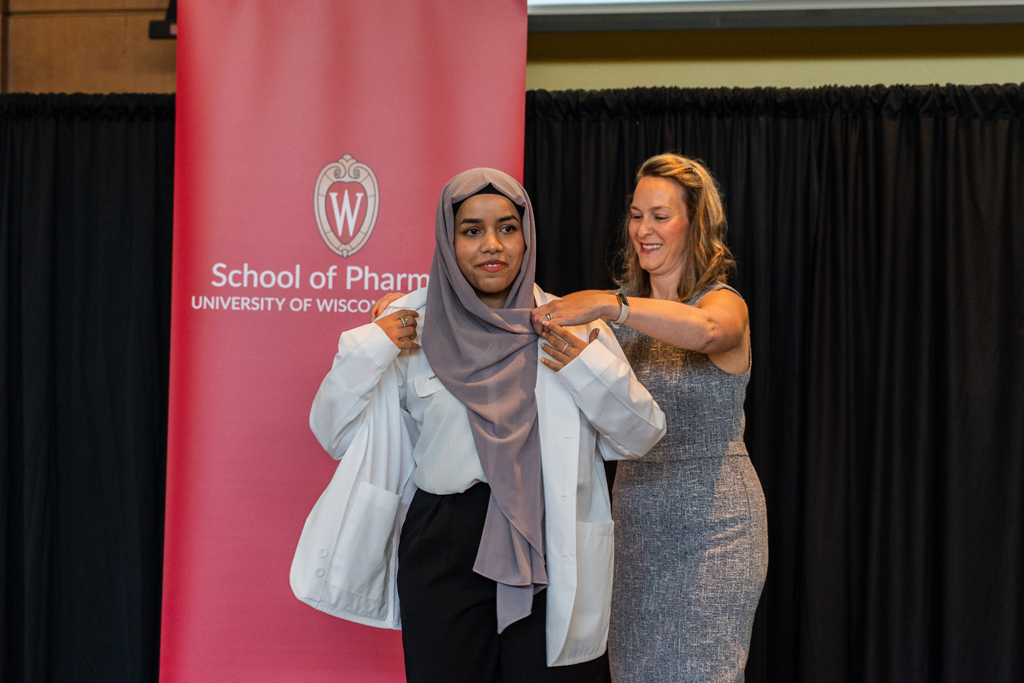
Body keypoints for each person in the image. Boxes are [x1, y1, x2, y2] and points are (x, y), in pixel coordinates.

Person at [305, 168, 666, 683]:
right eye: (472, 230)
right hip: (443, 541)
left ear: (527, 236)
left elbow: (640, 436)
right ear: (448, 242)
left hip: (546, 537)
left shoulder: (572, 325)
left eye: (507, 227)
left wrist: (587, 368)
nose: (492, 245)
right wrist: (372, 346)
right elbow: (333, 433)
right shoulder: (410, 326)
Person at [531, 154, 768, 683]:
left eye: (660, 215)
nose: (643, 229)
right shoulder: (619, 326)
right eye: (636, 215)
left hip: (716, 530)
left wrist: (612, 305)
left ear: (695, 223)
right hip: (635, 528)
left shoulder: (723, 303)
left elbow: (708, 332)